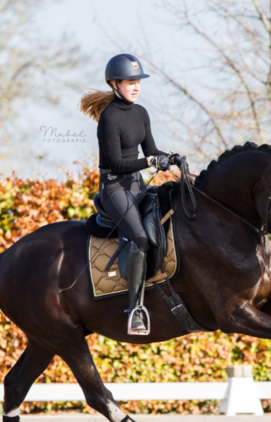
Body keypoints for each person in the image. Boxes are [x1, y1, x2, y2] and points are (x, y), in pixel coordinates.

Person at [79, 53, 180, 335]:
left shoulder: (141, 113)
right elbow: (118, 163)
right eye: (130, 82)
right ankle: (134, 309)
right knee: (139, 238)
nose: (136, 87)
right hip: (114, 188)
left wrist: (169, 158)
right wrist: (150, 163)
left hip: (136, 184)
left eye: (138, 82)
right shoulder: (109, 119)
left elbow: (151, 151)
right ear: (114, 84)